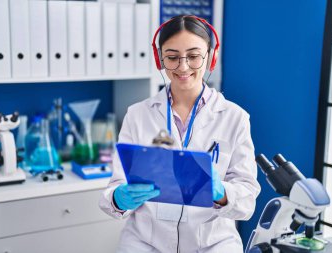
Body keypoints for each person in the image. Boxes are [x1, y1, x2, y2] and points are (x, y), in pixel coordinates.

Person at [99, 15, 261, 253]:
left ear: (211, 57)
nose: (183, 67)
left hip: (213, 244)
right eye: (172, 57)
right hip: (145, 243)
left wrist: (221, 192)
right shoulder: (137, 115)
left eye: (194, 56)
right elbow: (114, 188)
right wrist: (118, 198)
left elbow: (247, 200)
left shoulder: (234, 118)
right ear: (159, 59)